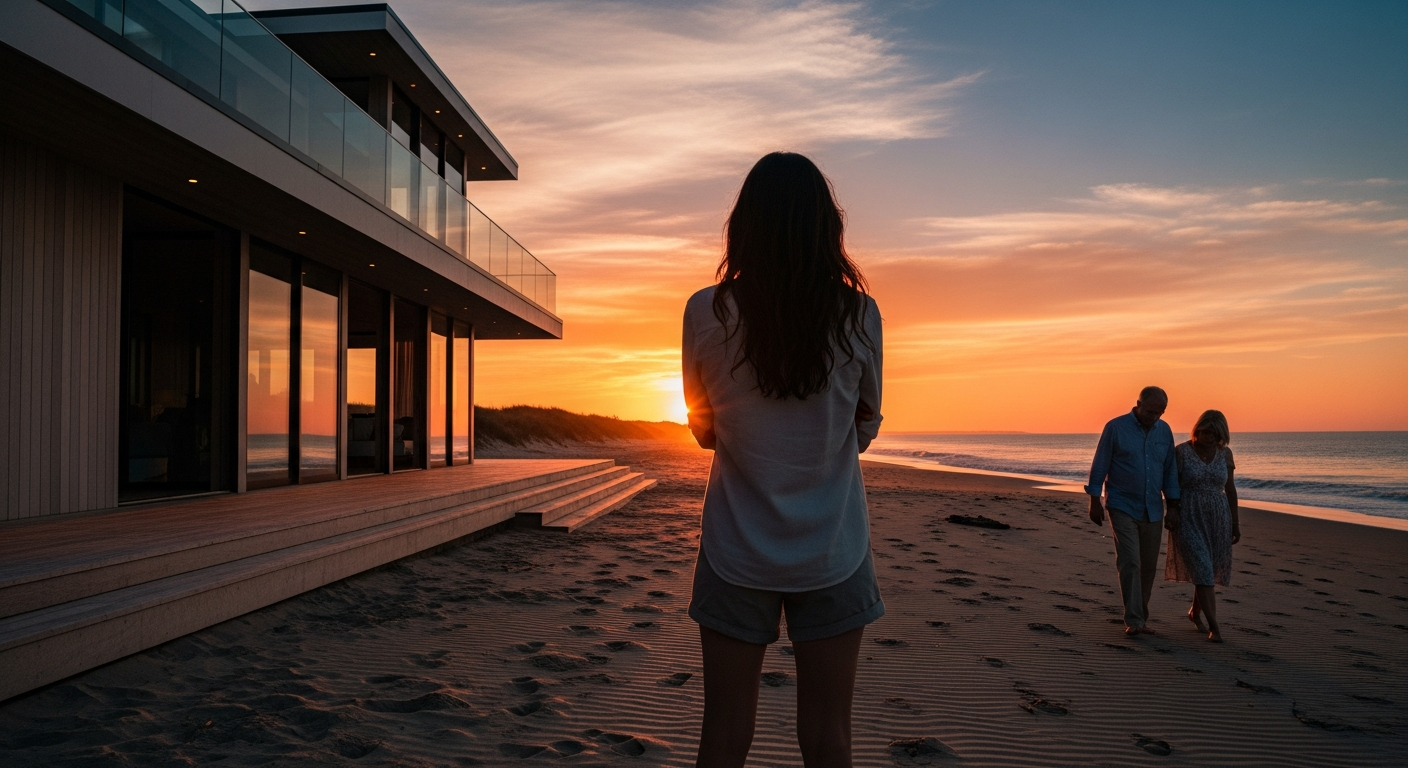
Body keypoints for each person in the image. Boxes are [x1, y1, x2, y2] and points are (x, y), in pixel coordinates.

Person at [682, 152, 884, 768]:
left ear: (743, 226)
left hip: (735, 543)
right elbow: (865, 427)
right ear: (828, 227)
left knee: (723, 736)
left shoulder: (706, 310)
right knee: (829, 739)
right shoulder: (860, 314)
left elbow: (704, 431)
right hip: (835, 543)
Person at [1085, 386, 1181, 636]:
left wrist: (1173, 506)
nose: (1154, 417)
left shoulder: (1164, 431)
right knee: (1130, 561)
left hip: (1153, 507)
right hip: (1122, 505)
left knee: (1148, 566)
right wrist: (1094, 500)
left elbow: (1169, 470)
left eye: (1160, 413)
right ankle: (1134, 619)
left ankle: (1141, 617)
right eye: (1150, 411)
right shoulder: (1115, 428)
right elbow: (1100, 464)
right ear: (1138, 405)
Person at [1166, 410, 1240, 642]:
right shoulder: (1182, 452)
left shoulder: (1225, 453)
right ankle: (1214, 627)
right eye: (1206, 432)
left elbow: (1230, 489)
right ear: (1197, 429)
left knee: (1207, 570)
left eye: (1215, 434)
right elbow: (1171, 484)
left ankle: (1195, 613)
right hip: (1189, 515)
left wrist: (1235, 523)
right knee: (1203, 570)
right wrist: (1172, 509)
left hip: (1218, 517)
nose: (1209, 437)